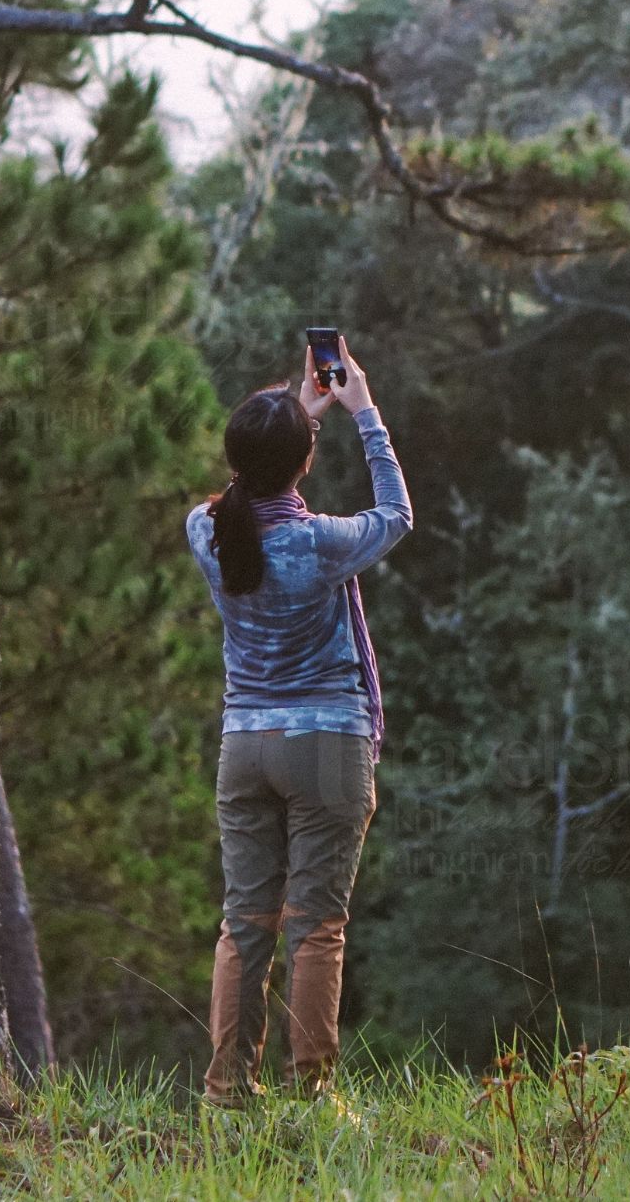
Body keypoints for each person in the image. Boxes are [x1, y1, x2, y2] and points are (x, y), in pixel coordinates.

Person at [185, 334, 411, 1104]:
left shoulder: (207, 531)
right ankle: (313, 1095)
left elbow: (239, 494)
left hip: (244, 743)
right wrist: (362, 410)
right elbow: (398, 513)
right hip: (325, 743)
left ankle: (226, 1093)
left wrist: (294, 429)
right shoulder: (320, 542)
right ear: (303, 465)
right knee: (316, 925)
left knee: (244, 922)